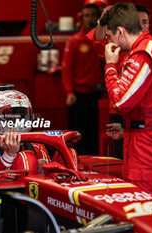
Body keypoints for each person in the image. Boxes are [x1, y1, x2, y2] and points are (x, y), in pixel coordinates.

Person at [100, 2, 152, 199]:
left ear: (120, 31)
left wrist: (110, 66)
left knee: (143, 207)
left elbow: (120, 101)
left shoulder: (144, 53)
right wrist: (129, 127)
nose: (110, 43)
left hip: (147, 145)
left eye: (110, 36)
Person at [87, 4, 151, 158]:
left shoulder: (150, 51)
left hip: (144, 118)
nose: (141, 26)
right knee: (123, 160)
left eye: (145, 22)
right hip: (120, 113)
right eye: (138, 21)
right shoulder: (117, 47)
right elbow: (98, 41)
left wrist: (110, 66)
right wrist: (103, 20)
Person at [61, 3, 104, 155]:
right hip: (79, 96)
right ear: (81, 18)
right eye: (87, 15)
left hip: (99, 95)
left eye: (93, 15)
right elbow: (66, 69)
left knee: (96, 134)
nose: (90, 18)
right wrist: (69, 92)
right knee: (79, 135)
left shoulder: (103, 39)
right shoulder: (74, 41)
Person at [0, 90, 50, 173]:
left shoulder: (38, 146)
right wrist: (8, 156)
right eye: (9, 115)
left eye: (22, 115)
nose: (17, 120)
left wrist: (44, 171)